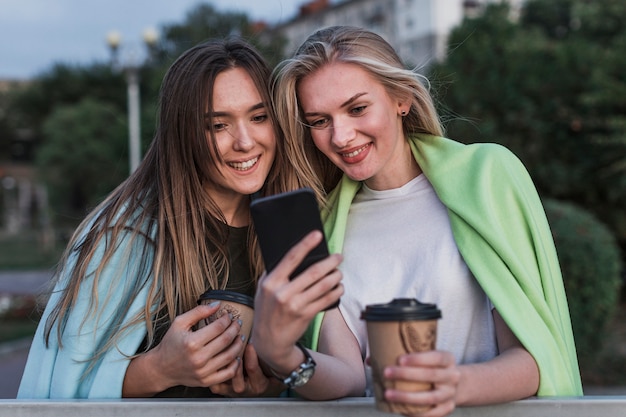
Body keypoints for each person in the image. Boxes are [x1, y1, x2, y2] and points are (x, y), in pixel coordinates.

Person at [270, 25, 583, 416]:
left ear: (401, 99)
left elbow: (536, 359)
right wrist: (282, 355)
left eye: (357, 109)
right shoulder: (324, 227)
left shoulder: (487, 177)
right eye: (319, 120)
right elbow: (348, 379)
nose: (341, 136)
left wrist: (454, 385)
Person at [17, 37, 331, 399]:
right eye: (218, 125)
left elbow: (325, 365)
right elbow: (63, 386)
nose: (245, 142)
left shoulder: (292, 224)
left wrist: (278, 379)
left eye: (259, 117)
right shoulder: (124, 233)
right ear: (183, 133)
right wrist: (160, 369)